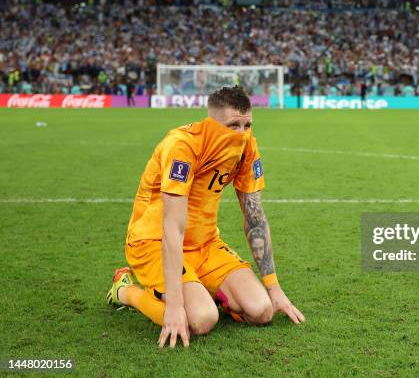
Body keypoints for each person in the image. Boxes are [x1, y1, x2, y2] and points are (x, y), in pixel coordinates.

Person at [106, 86, 305, 348]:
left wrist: (274, 288)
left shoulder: (247, 149)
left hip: (206, 245)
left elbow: (255, 218)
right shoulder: (182, 146)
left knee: (262, 311)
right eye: (233, 125)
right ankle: (124, 290)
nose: (242, 134)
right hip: (154, 242)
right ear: (212, 123)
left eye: (247, 125)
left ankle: (200, 289)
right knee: (200, 319)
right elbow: (172, 228)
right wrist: (175, 307)